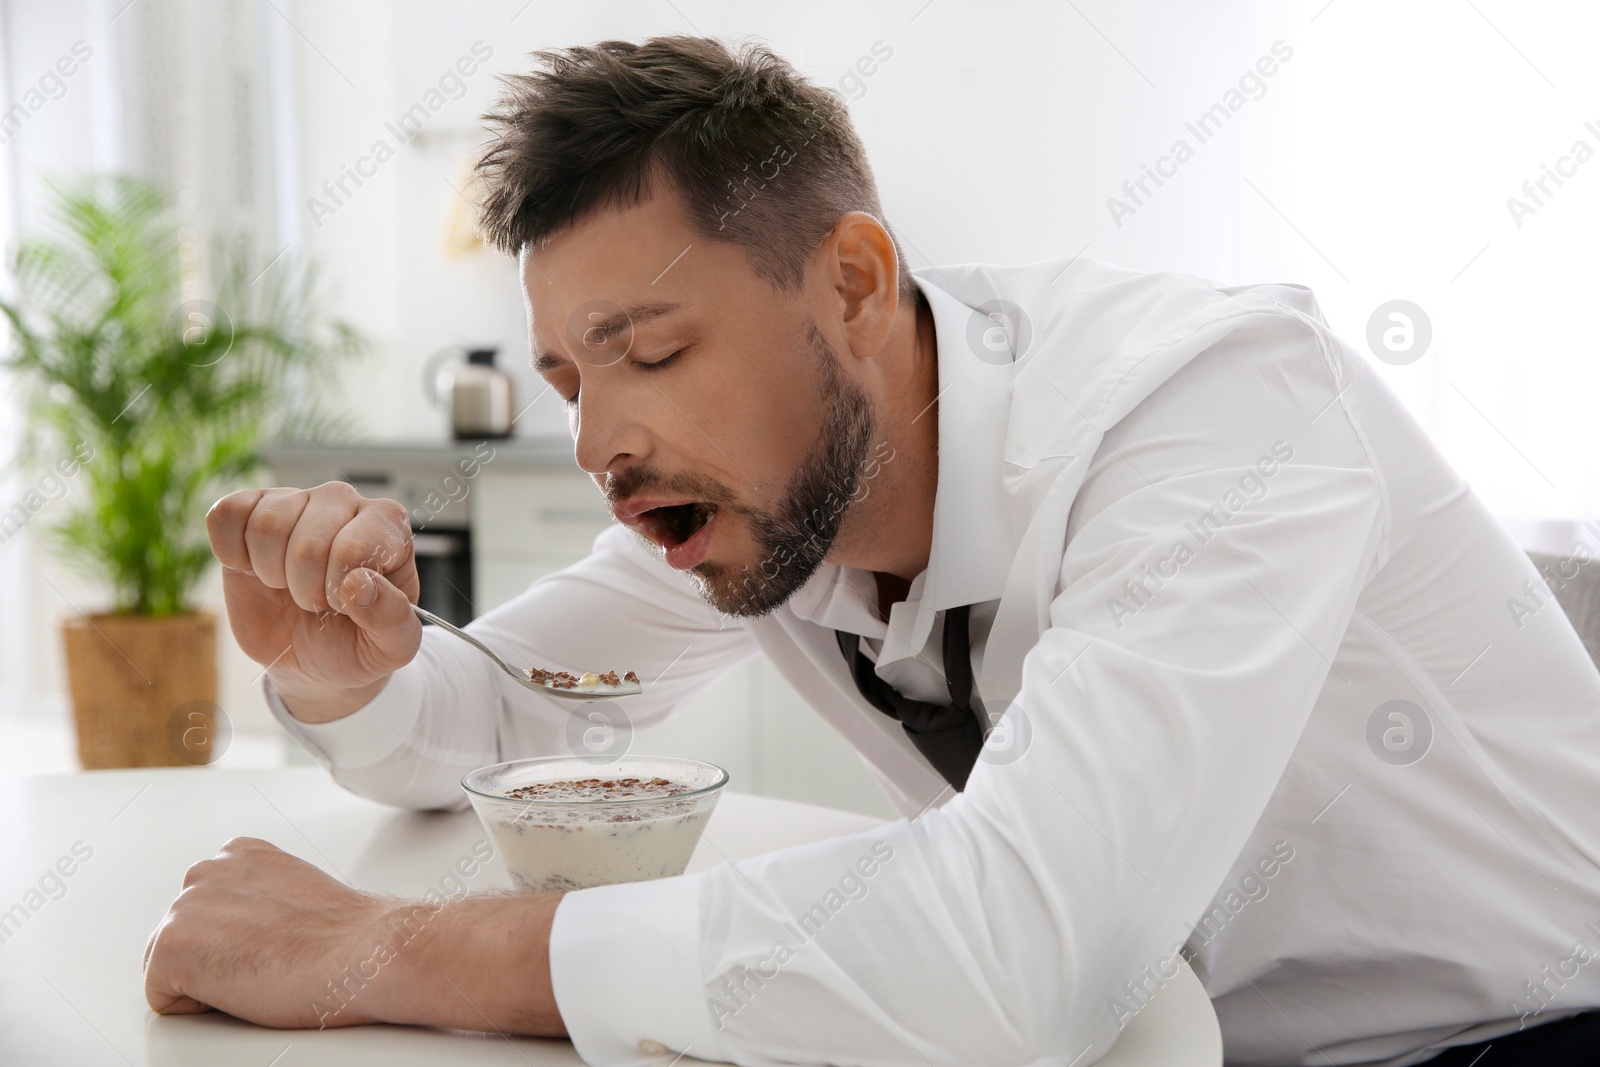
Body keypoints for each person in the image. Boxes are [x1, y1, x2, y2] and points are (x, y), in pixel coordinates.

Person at [142, 34, 1600, 1067]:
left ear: (851, 280)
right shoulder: (771, 503)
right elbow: (510, 721)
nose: (599, 445)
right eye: (573, 383)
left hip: (1513, 1036)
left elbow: (1031, 954)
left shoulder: (1212, 404)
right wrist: (355, 682)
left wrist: (366, 953)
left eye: (647, 349)